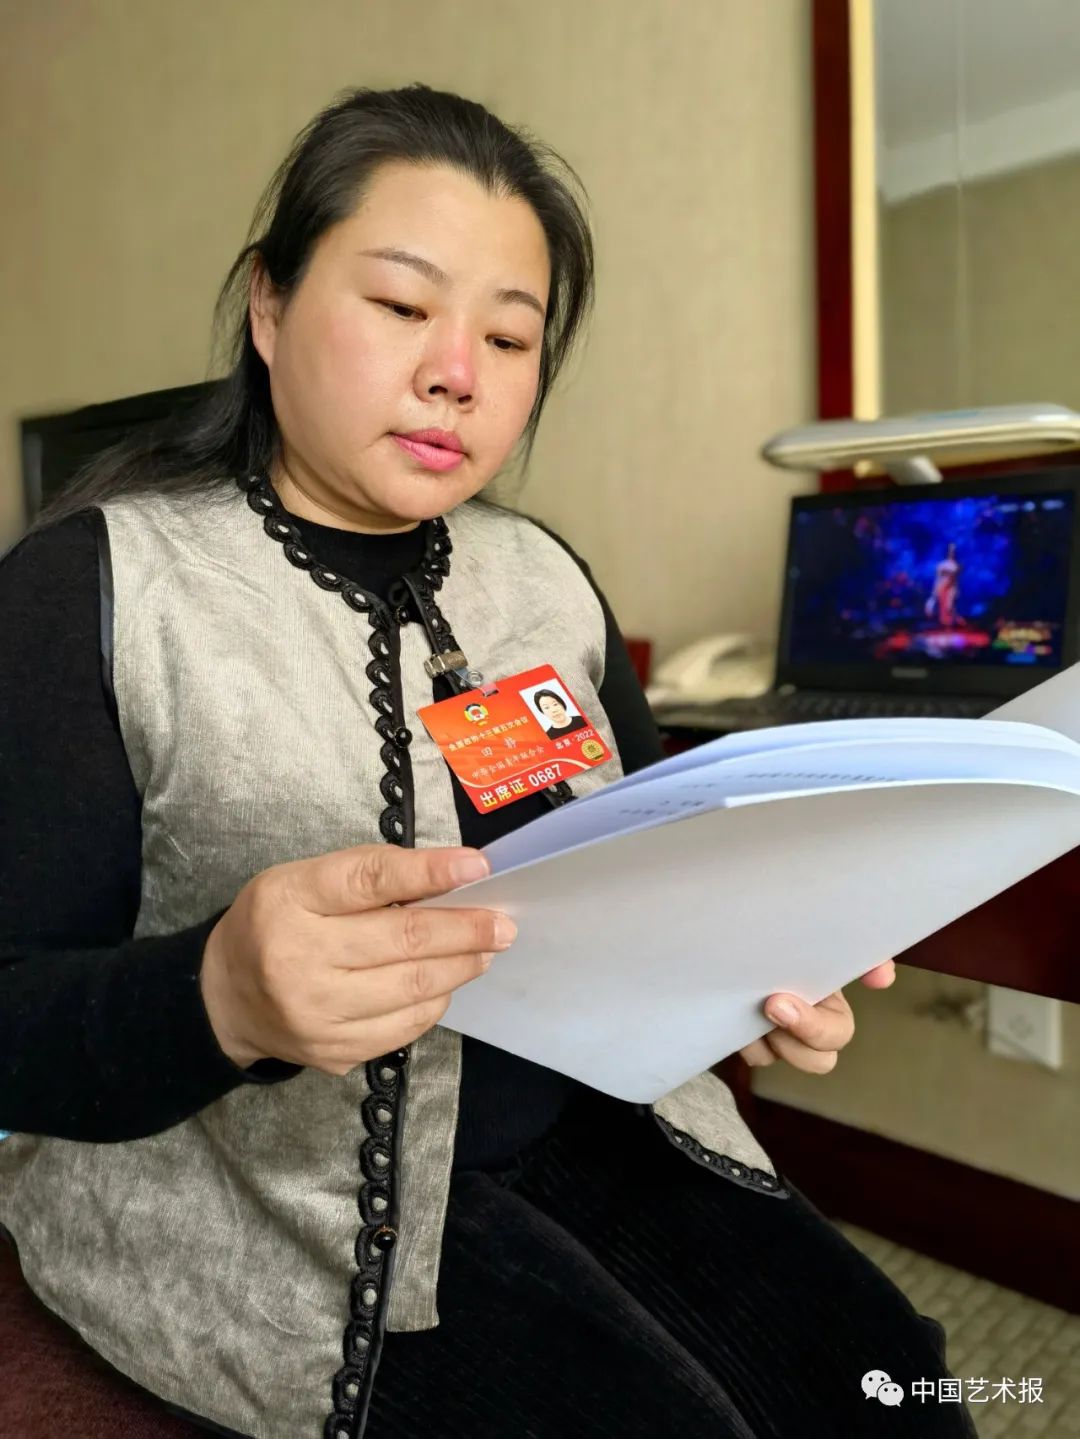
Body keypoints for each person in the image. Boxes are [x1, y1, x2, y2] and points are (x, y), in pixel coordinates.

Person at [0, 85, 978, 1439]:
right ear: (269, 306)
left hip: (598, 1123)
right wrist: (219, 993)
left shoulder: (542, 579)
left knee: (908, 1391)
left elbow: (656, 859)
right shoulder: (92, 589)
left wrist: (747, 965)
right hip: (267, 1205)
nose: (458, 371)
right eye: (403, 306)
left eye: (509, 336)